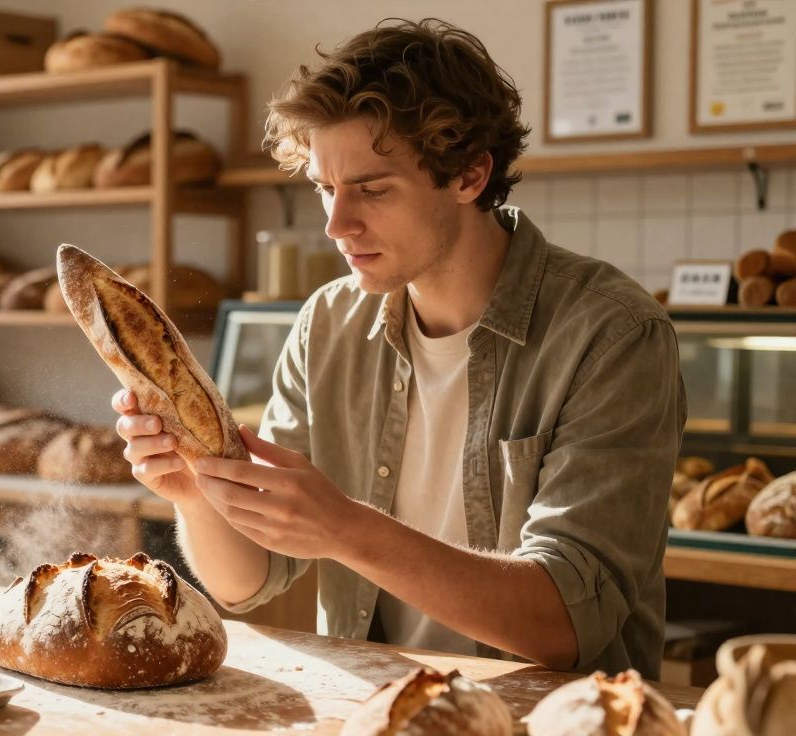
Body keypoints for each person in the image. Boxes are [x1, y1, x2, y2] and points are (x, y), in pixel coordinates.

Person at [113, 18, 684, 677]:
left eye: (373, 189)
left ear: (470, 175)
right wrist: (194, 493)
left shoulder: (611, 333)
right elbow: (253, 580)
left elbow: (568, 625)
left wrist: (347, 530)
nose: (336, 225)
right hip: (378, 714)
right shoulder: (327, 324)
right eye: (326, 188)